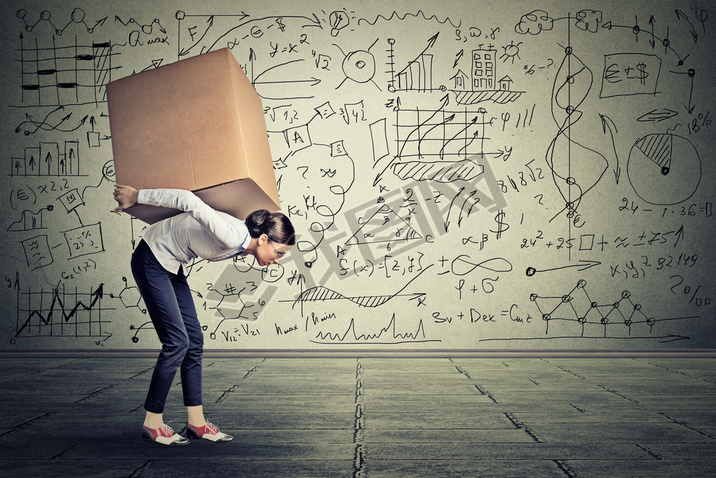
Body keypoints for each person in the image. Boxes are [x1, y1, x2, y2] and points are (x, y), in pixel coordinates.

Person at [113, 185, 295, 446]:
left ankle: (197, 423)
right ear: (264, 239)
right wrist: (136, 197)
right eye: (279, 253)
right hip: (151, 260)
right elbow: (187, 199)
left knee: (194, 341)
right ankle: (152, 423)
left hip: (171, 264)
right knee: (177, 343)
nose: (277, 260)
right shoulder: (233, 236)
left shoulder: (242, 241)